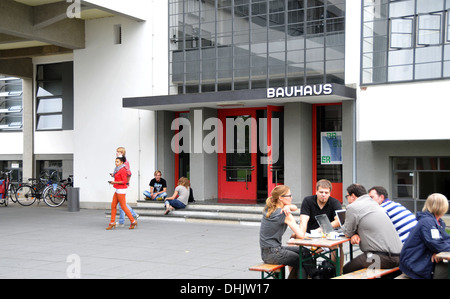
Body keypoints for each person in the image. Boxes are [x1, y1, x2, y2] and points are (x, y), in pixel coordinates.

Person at [342, 184, 402, 274]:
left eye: (347, 196)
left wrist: (352, 232)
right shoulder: (373, 203)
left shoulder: (352, 207)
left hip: (382, 257)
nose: (347, 199)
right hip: (400, 255)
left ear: (353, 196)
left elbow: (347, 233)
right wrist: (356, 233)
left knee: (347, 269)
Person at [400, 193, 450, 279]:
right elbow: (434, 242)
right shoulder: (427, 222)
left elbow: (445, 239)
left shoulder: (439, 222)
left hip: (422, 262)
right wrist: (438, 249)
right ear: (442, 206)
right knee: (444, 270)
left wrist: (438, 251)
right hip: (415, 265)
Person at [260, 185, 303, 279]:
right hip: (275, 253)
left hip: (266, 253)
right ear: (281, 198)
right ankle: (315, 275)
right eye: (289, 196)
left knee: (304, 251)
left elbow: (295, 207)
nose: (291, 197)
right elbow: (300, 235)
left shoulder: (269, 209)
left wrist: (288, 205)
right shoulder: (285, 214)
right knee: (303, 259)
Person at [106, 157, 137, 230]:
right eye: (115, 161)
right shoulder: (117, 169)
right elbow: (119, 177)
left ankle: (133, 221)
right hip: (118, 189)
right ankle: (112, 222)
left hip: (121, 190)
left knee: (123, 206)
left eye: (117, 162)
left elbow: (124, 181)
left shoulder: (123, 169)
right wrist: (113, 175)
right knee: (113, 205)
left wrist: (114, 182)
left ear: (122, 162)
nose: (116, 163)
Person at [114, 147, 139, 227]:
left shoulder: (125, 162)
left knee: (122, 204)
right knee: (121, 204)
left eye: (118, 152)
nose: (116, 153)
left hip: (122, 185)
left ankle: (131, 216)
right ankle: (123, 220)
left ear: (122, 153)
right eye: (116, 151)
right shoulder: (120, 161)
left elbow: (128, 173)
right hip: (120, 185)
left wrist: (127, 182)